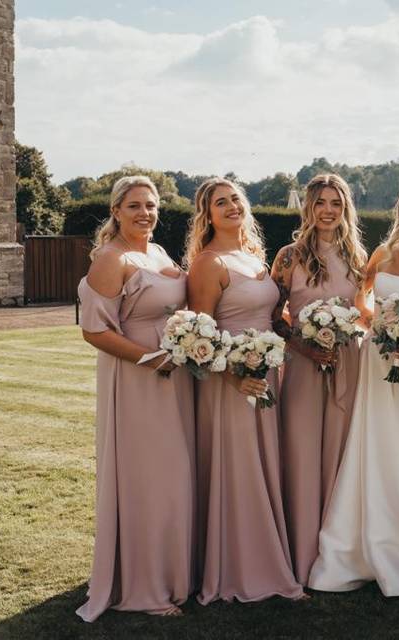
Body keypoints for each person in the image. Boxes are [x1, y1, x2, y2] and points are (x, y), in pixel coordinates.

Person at [308, 177, 399, 597]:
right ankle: (366, 539)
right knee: (377, 442)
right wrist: (380, 327)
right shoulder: (383, 252)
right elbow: (362, 300)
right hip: (378, 361)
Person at [75, 176, 196, 621]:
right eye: (135, 206)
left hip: (175, 377)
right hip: (138, 380)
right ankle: (143, 587)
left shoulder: (158, 252)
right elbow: (94, 330)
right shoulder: (111, 258)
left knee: (174, 475)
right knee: (148, 479)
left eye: (151, 205)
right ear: (116, 211)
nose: (145, 213)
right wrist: (150, 358)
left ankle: (174, 572)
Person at [185, 177, 304, 604]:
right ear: (208, 214)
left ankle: (265, 556)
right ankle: (239, 567)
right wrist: (234, 377)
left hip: (265, 373)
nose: (232, 206)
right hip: (229, 383)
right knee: (238, 470)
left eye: (236, 199)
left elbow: (271, 314)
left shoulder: (254, 257)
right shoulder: (209, 263)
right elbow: (199, 335)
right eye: (221, 202)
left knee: (263, 464)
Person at [270, 174, 368, 586]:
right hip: (303, 364)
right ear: (307, 207)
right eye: (320, 202)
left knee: (343, 450)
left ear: (345, 208)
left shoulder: (358, 257)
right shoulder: (289, 256)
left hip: (349, 361)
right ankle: (299, 548)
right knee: (302, 449)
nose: (327, 210)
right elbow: (273, 317)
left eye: (335, 202)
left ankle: (339, 551)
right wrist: (306, 347)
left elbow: (365, 312)